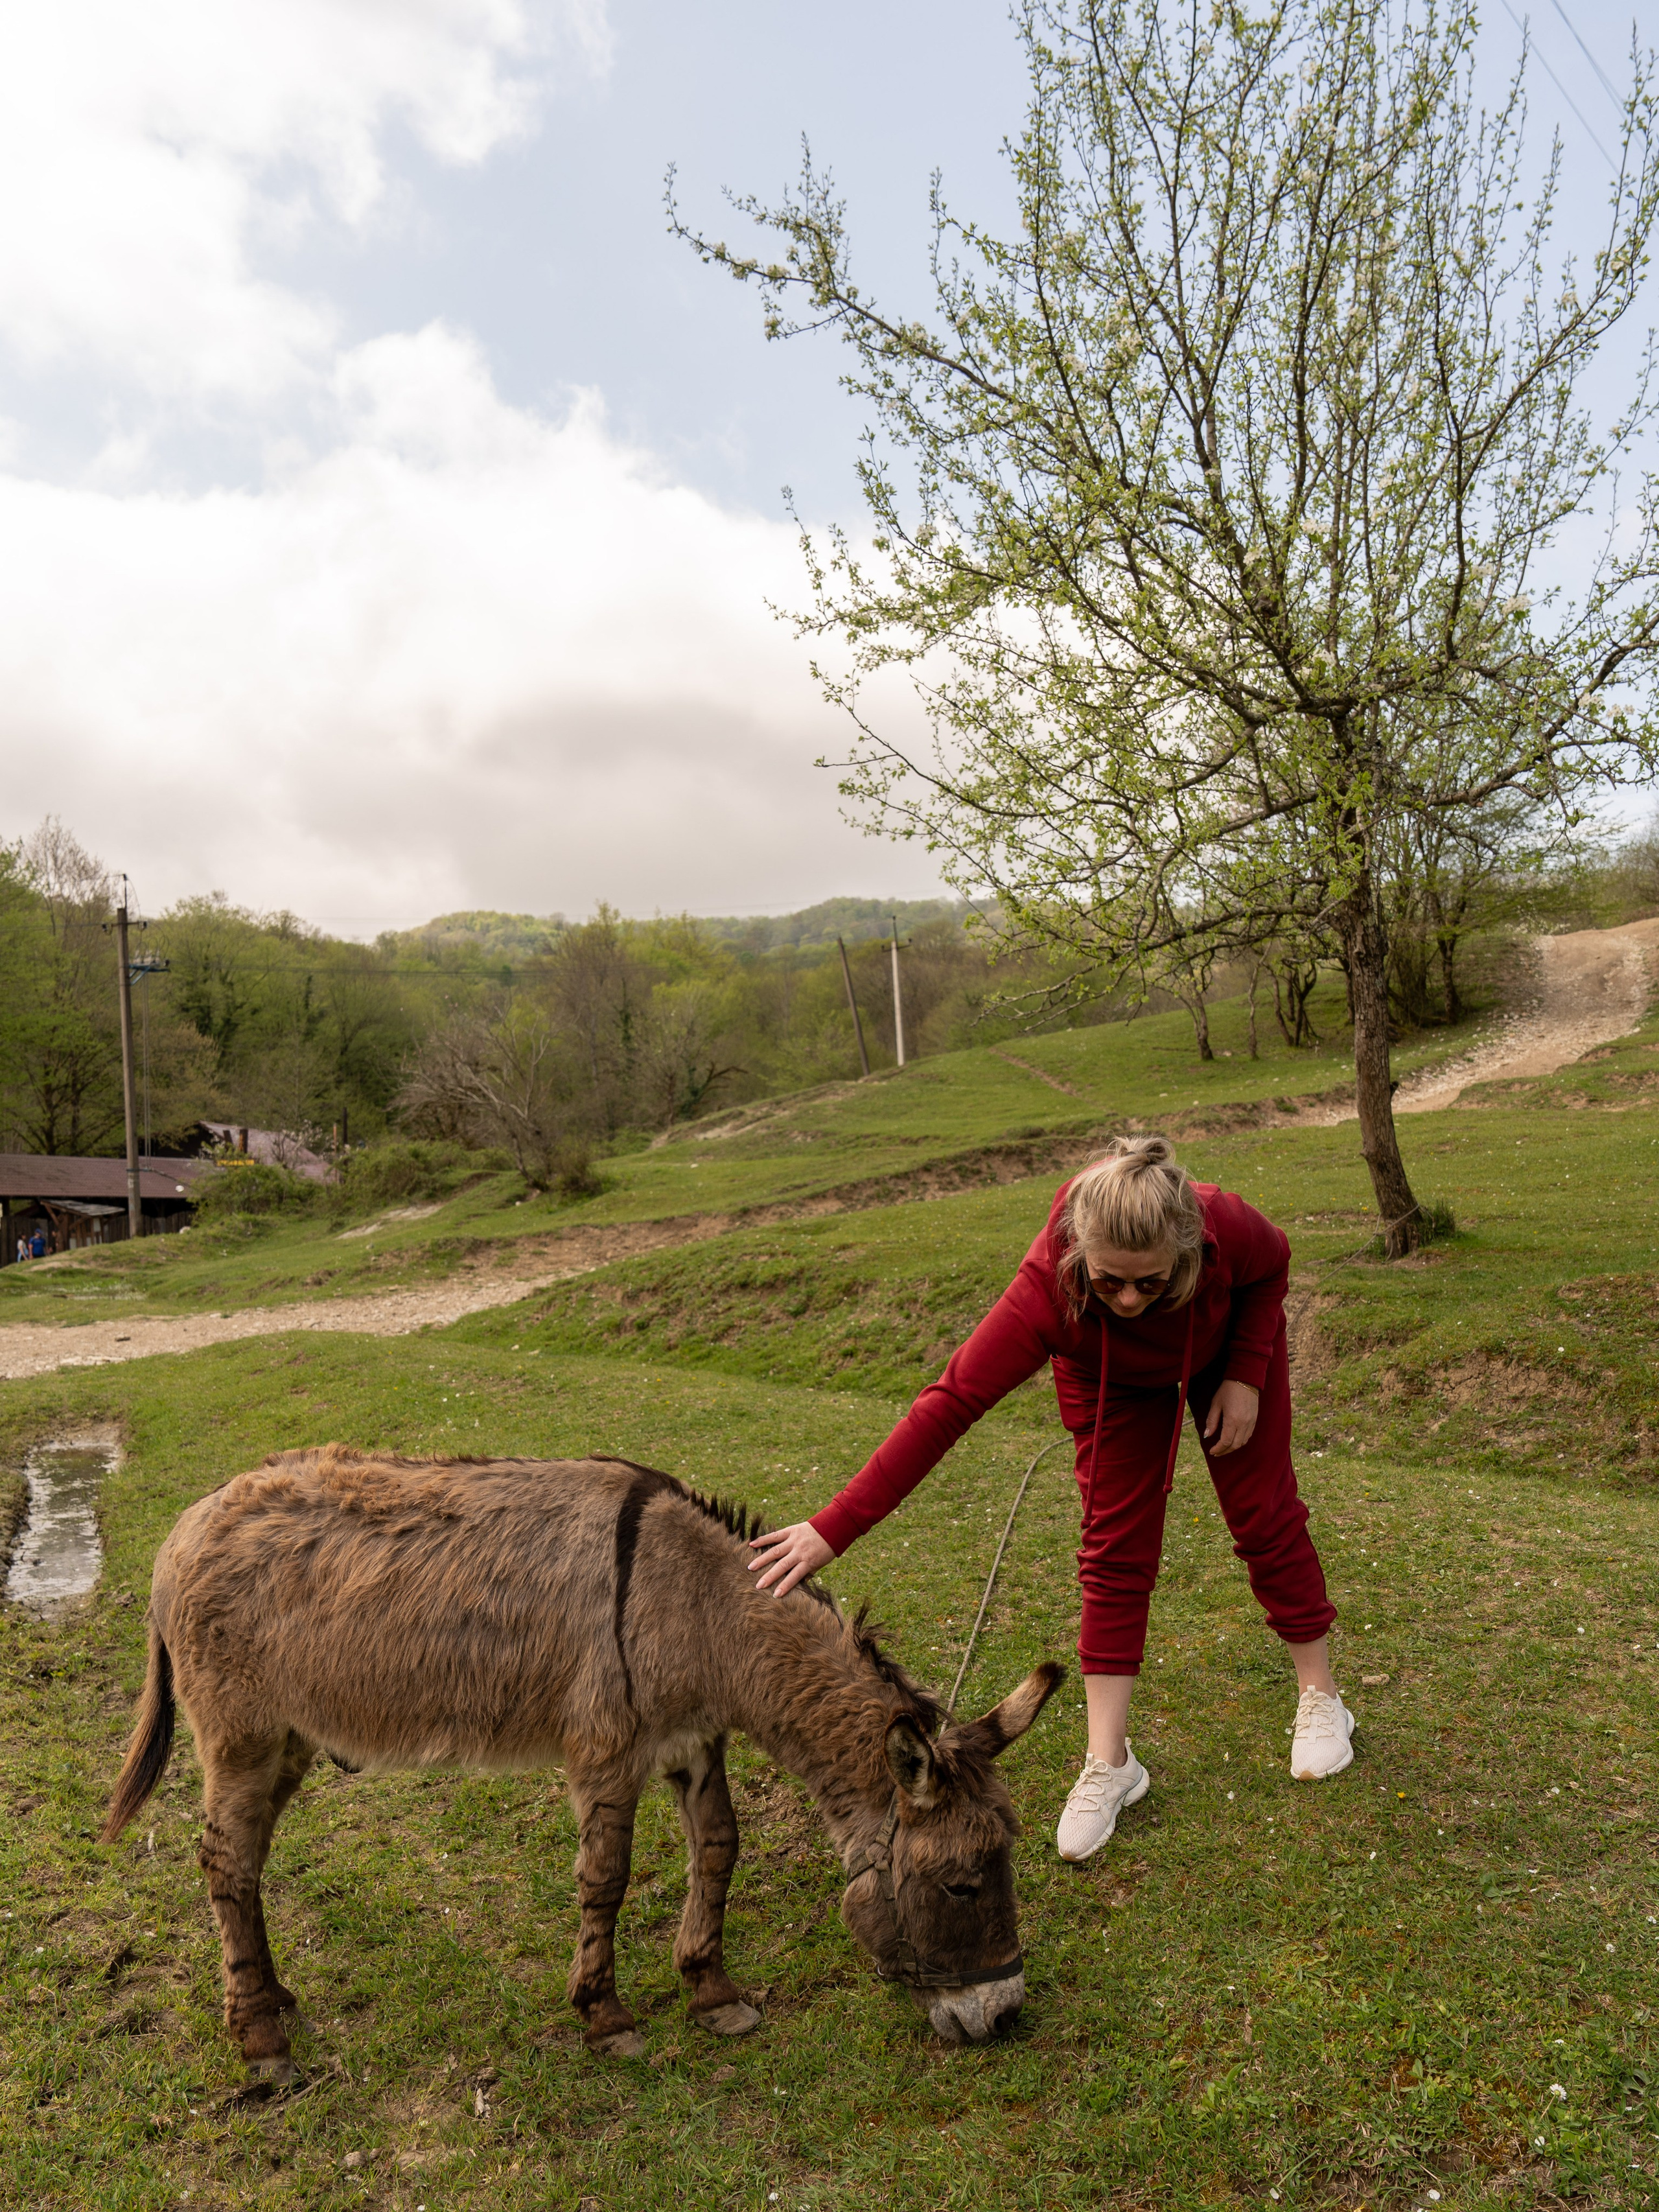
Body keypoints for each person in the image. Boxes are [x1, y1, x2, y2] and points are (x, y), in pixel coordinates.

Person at [748, 1134, 1352, 1862]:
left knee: (1263, 1515)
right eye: (1109, 1282)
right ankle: (1111, 1763)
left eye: (1151, 1282)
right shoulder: (1046, 1288)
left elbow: (1274, 1263)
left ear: (1187, 1249)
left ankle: (1320, 1696)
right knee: (1113, 1550)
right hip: (1109, 1382)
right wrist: (831, 1526)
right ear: (1078, 1256)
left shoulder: (1221, 1223)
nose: (1129, 1299)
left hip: (1225, 1354)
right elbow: (949, 1403)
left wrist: (1247, 1372)